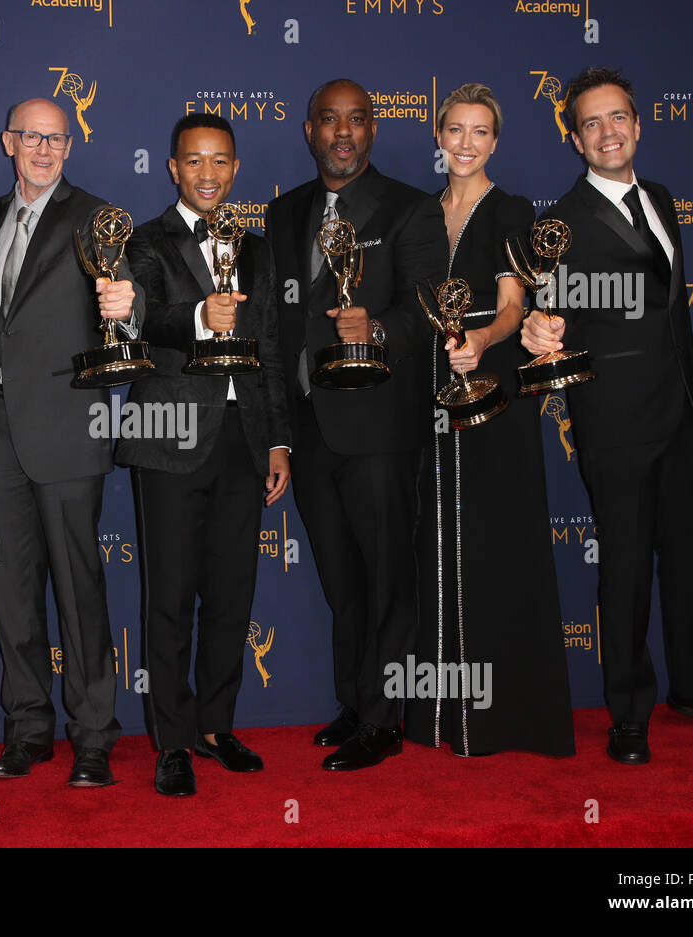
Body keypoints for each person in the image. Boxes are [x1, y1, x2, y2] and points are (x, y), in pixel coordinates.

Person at [521, 66, 693, 763]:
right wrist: (537, 332)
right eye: (592, 123)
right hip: (614, 424)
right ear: (575, 140)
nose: (608, 132)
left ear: (638, 124)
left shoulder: (661, 199)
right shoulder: (560, 226)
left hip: (679, 419)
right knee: (627, 569)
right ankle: (629, 711)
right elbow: (545, 319)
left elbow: (676, 316)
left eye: (618, 118)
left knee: (691, 559)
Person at [266, 78, 446, 770]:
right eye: (329, 120)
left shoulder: (408, 209)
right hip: (311, 429)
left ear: (374, 130)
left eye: (357, 120)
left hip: (378, 426)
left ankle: (384, 719)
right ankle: (354, 703)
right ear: (308, 130)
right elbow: (279, 332)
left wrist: (376, 329)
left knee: (387, 579)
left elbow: (426, 310)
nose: (343, 132)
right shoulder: (285, 217)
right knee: (343, 581)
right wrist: (280, 431)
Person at [0, 97, 143, 787]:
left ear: (69, 146)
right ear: (8, 140)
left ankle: (94, 734)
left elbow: (126, 304)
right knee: (9, 588)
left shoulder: (96, 217)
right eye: (31, 136)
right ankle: (27, 729)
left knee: (78, 587)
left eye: (56, 138)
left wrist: (129, 309)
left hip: (69, 424)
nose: (43, 148)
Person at [118, 113, 291, 796]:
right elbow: (139, 317)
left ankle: (217, 724)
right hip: (168, 439)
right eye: (195, 161)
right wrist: (197, 319)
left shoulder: (256, 247)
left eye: (221, 161)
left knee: (230, 595)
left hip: (242, 442)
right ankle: (171, 740)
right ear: (173, 168)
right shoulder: (144, 240)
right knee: (168, 598)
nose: (209, 173)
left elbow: (270, 345)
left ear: (236, 168)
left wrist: (279, 439)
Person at [402, 83, 574, 757]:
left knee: (494, 542)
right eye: (456, 130)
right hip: (430, 384)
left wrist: (481, 342)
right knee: (435, 541)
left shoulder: (510, 209)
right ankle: (436, 714)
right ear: (439, 137)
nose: (467, 143)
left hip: (491, 386)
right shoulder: (421, 213)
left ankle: (503, 718)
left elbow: (512, 302)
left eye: (480, 132)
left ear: (494, 142)